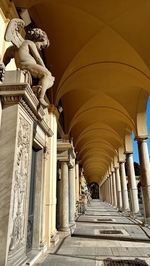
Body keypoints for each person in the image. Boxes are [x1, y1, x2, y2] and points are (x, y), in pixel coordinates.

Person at [2, 18, 54, 107]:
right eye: (41, 46)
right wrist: (45, 69)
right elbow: (38, 58)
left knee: (49, 78)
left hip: (24, 66)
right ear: (37, 38)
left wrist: (3, 65)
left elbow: (7, 54)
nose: (40, 49)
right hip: (28, 65)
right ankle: (41, 96)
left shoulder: (18, 47)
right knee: (48, 75)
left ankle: (37, 88)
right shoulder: (30, 43)